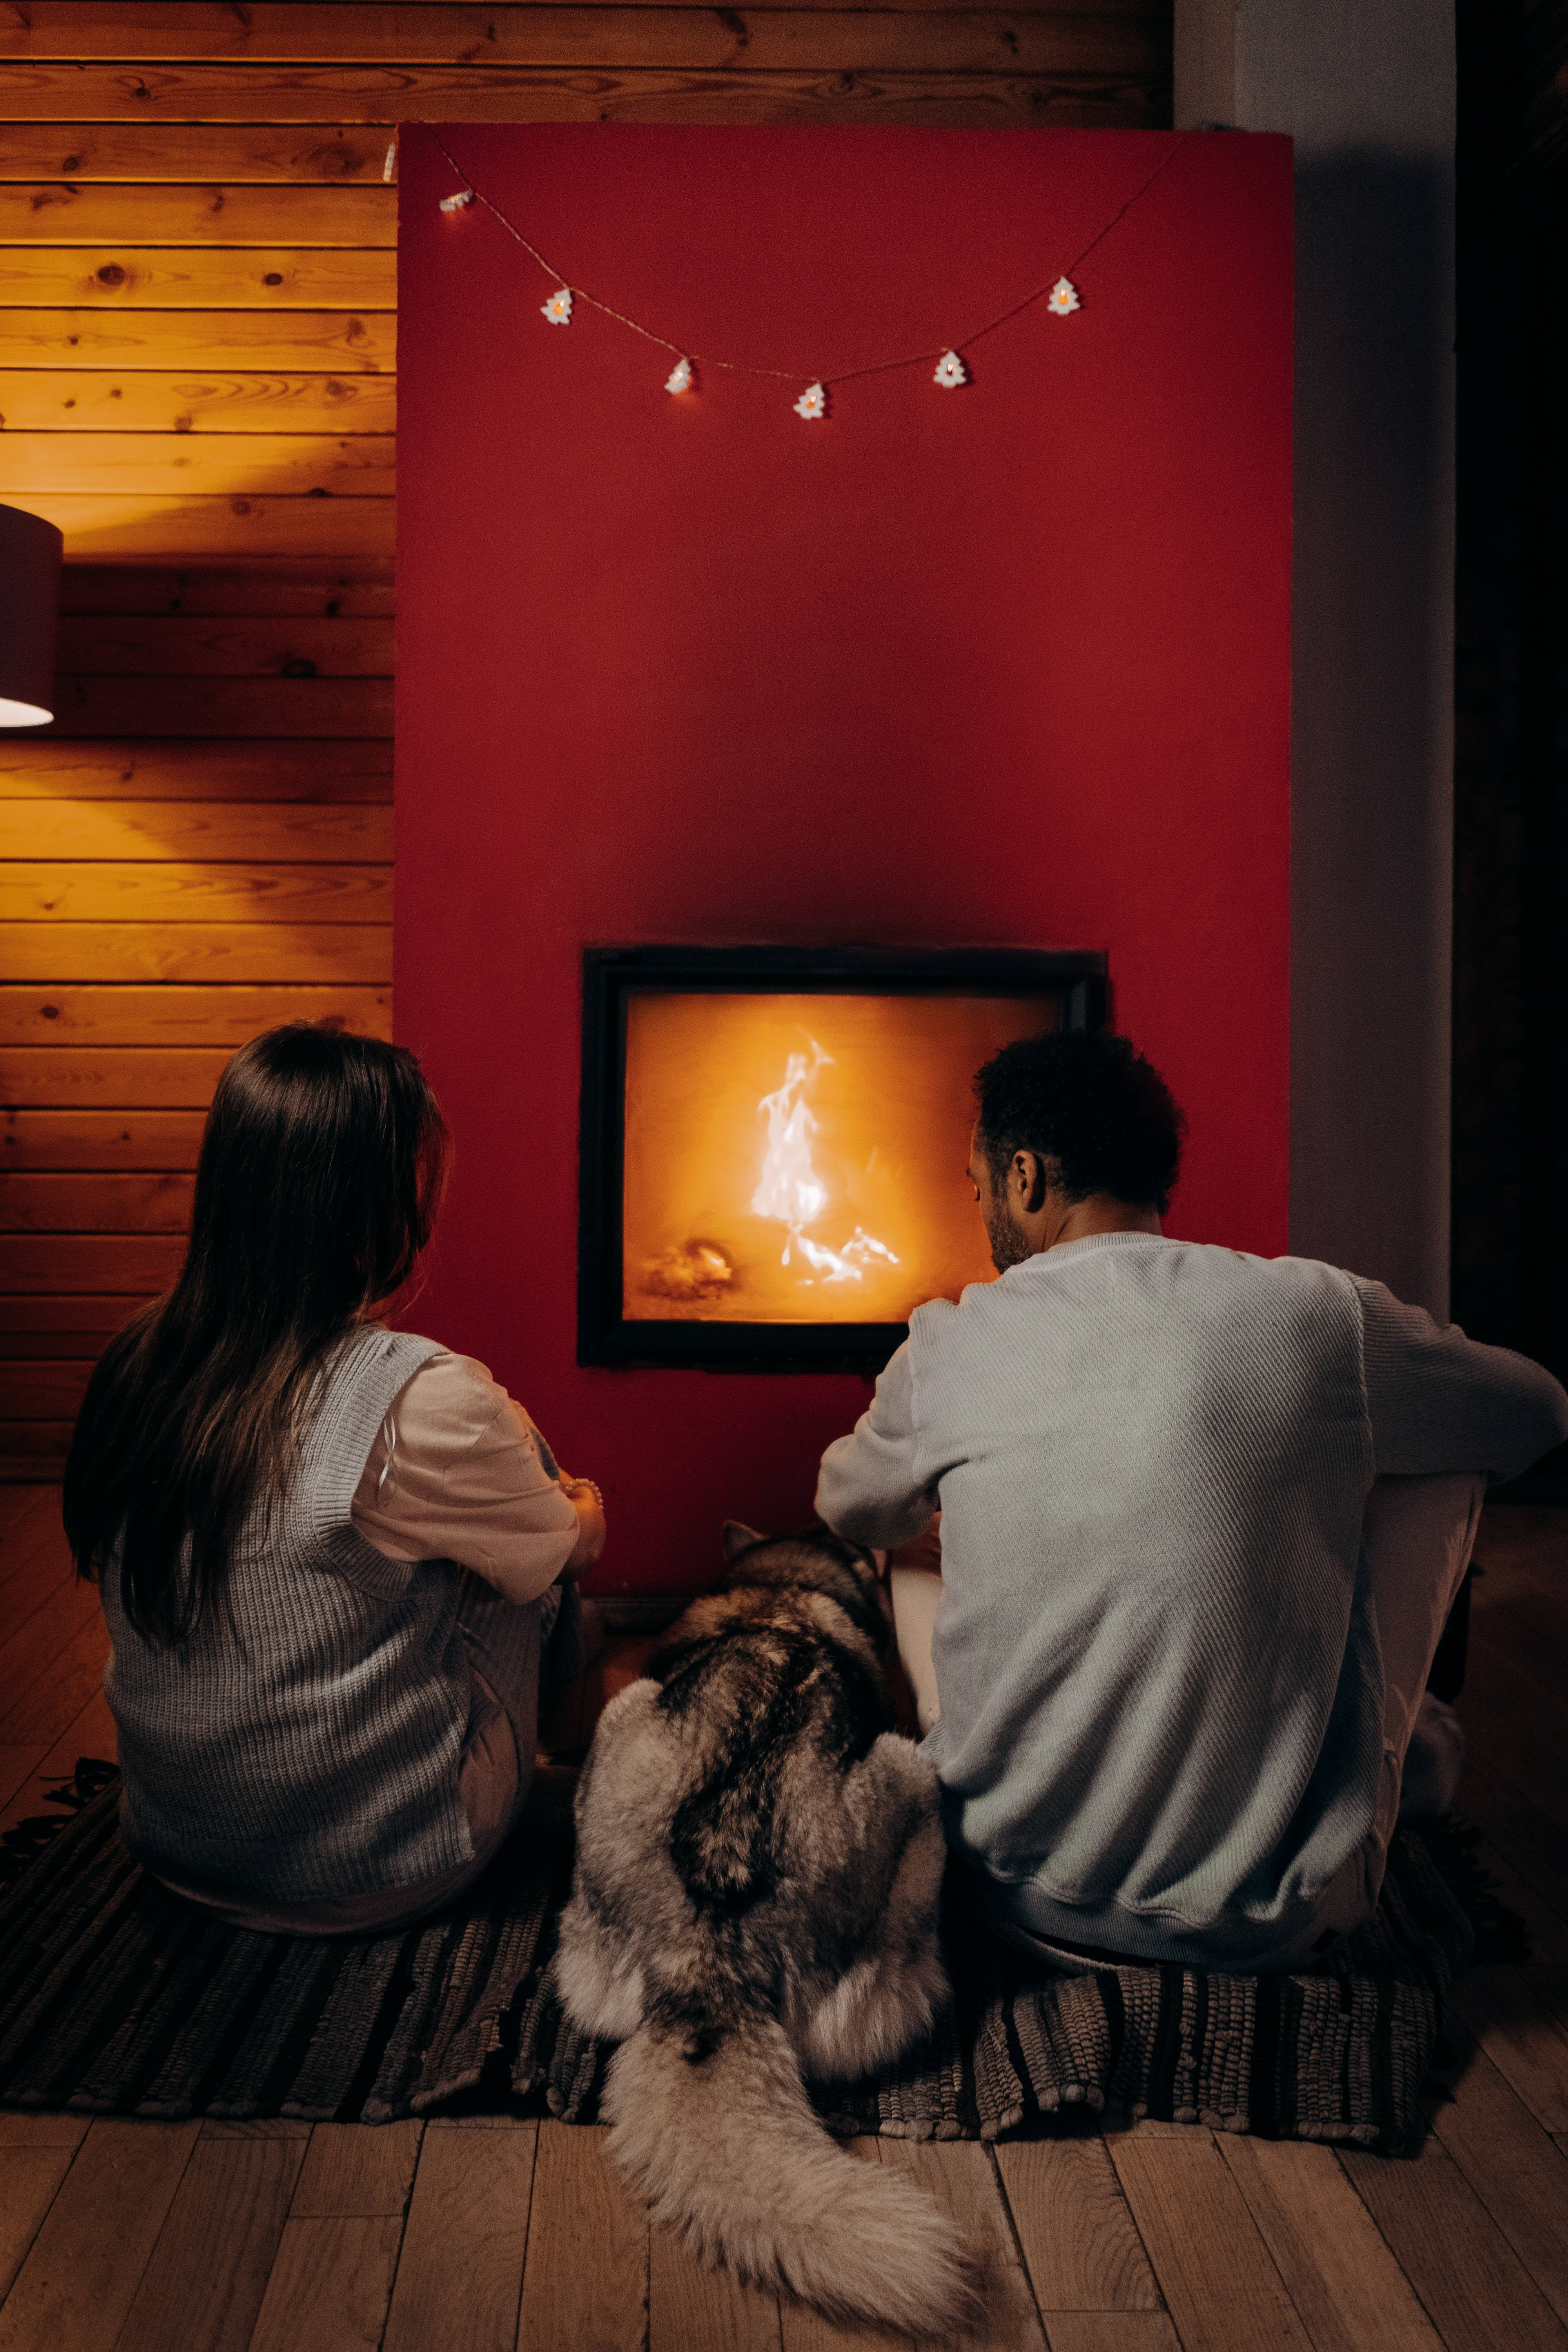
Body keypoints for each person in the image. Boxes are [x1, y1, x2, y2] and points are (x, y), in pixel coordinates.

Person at [815, 1031, 1568, 1973]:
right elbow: (1534, 1414)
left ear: (1023, 1177)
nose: (982, 1211)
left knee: (905, 1538)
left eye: (976, 1189)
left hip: (1003, 1900)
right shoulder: (1316, 1312)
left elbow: (845, 1507)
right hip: (1266, 1926)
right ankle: (1363, 1758)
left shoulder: (947, 1342)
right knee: (1447, 1452)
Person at [64, 1024, 605, 1936]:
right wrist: (581, 1507)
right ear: (370, 1207)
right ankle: (581, 1789)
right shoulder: (415, 1395)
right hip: (369, 1871)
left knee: (452, 1536)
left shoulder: (133, 1361)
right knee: (544, 1579)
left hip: (174, 1843)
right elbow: (561, 1548)